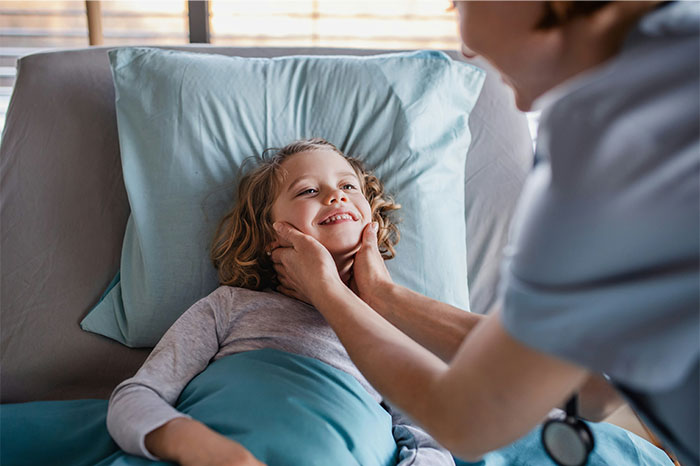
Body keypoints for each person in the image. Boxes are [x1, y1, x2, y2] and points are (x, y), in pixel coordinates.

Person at [269, 2, 699, 465]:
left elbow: (467, 418)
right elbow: (587, 387)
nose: (466, 45)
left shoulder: (604, 138)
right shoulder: (670, 65)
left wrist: (329, 292)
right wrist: (381, 296)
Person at [106, 138, 456, 466]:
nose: (337, 196)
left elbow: (430, 442)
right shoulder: (229, 306)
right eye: (308, 191)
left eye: (349, 186)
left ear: (373, 217)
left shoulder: (391, 332)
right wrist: (202, 446)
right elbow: (135, 399)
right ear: (268, 232)